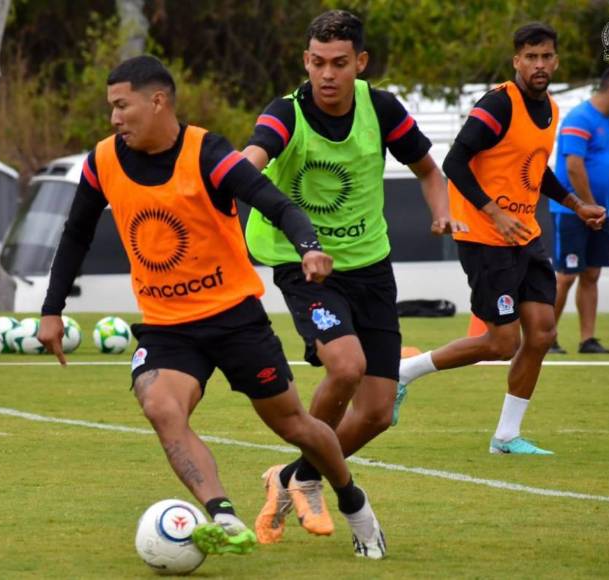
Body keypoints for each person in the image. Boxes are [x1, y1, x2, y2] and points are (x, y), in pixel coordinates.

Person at [37, 55, 386, 560]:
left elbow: (277, 204)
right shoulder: (102, 162)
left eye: (121, 105)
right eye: (110, 107)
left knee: (295, 426)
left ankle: (354, 502)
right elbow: (75, 235)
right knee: (161, 406)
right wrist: (52, 310)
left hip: (234, 317)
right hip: (166, 327)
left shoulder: (208, 153)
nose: (113, 118)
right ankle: (221, 513)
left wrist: (308, 245)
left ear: (157, 101)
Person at [242, 9, 463, 544]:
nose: (327, 74)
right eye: (317, 62)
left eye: (340, 63)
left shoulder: (382, 108)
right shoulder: (285, 113)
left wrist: (442, 211)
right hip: (303, 263)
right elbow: (251, 159)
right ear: (305, 61)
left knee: (377, 414)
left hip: (370, 265)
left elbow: (430, 171)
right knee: (345, 366)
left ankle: (292, 474)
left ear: (360, 63)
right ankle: (311, 483)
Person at [398, 23, 606, 455]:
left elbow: (534, 168)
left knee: (543, 333)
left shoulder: (549, 109)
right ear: (516, 61)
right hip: (484, 236)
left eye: (546, 56)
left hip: (523, 235)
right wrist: (494, 212)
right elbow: (454, 162)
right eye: (531, 57)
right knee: (501, 341)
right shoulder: (497, 104)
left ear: (556, 60)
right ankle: (405, 373)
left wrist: (575, 203)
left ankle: (506, 436)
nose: (539, 65)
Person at [548, 67, 609, 355]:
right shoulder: (579, 118)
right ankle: (546, 337)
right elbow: (573, 166)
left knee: (592, 274)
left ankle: (588, 339)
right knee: (566, 275)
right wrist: (587, 207)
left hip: (599, 213)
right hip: (573, 212)